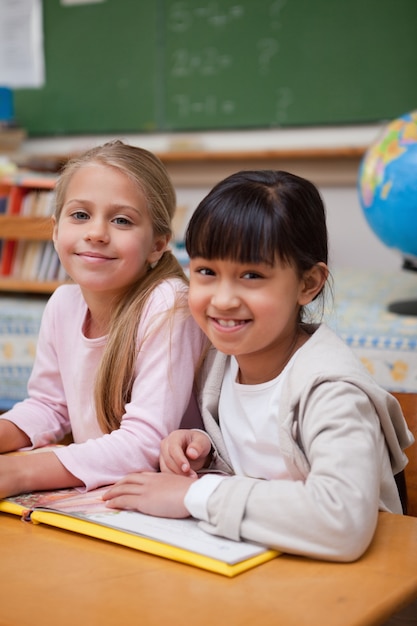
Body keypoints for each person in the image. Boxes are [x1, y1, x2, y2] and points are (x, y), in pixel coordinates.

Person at [103, 169, 414, 565]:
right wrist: (204, 448)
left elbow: (342, 520)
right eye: (206, 272)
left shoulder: (332, 392)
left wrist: (192, 494)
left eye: (252, 275)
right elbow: (261, 458)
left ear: (308, 284)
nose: (224, 299)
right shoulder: (220, 362)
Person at [0, 140, 205, 497]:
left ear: (158, 245)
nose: (96, 233)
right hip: (102, 499)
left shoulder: (169, 304)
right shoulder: (63, 302)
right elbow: (49, 406)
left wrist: (19, 472)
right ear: (55, 229)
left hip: (162, 508)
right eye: (80, 215)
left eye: (122, 220)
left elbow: (144, 444)